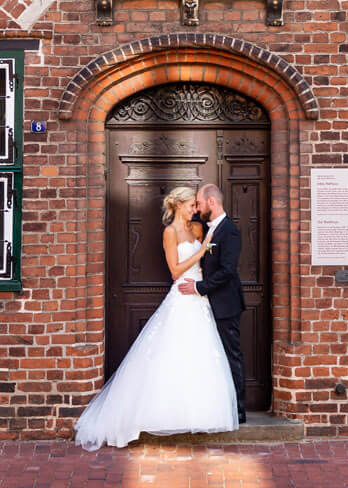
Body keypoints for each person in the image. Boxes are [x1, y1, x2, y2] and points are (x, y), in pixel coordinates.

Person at [73, 186, 238, 450]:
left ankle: (200, 414)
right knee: (171, 352)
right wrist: (200, 253)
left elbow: (212, 262)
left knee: (201, 353)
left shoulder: (198, 229)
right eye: (191, 206)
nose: (195, 210)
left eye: (196, 206)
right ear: (179, 205)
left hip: (200, 296)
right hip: (182, 293)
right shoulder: (170, 232)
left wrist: (205, 276)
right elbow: (175, 270)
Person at [178, 184, 246, 423]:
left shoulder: (229, 231)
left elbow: (227, 271)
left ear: (211, 202)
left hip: (226, 304)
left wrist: (198, 287)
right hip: (207, 306)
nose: (197, 209)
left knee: (231, 355)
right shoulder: (208, 229)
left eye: (199, 203)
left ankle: (238, 410)